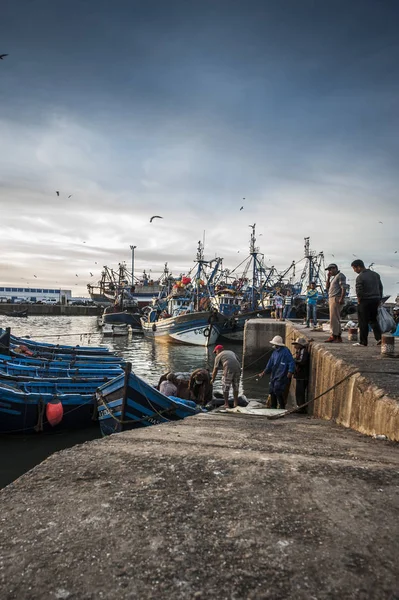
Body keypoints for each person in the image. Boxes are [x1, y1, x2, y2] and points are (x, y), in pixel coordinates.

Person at [351, 259, 383, 347]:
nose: (354, 271)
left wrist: (359, 300)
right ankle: (379, 338)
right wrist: (379, 299)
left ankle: (363, 342)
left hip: (365, 301)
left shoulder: (360, 277)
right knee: (373, 319)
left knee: (363, 321)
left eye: (354, 268)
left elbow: (359, 290)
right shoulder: (376, 275)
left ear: (358, 267)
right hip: (375, 299)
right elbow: (380, 288)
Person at [258, 335, 295, 409]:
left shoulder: (285, 352)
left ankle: (282, 406)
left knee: (277, 389)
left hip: (282, 374)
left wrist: (290, 371)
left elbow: (291, 362)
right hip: (274, 374)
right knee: (271, 391)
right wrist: (264, 372)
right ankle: (273, 406)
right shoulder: (274, 353)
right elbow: (270, 363)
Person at [211, 344, 241, 409]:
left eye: (215, 352)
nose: (216, 354)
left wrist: (212, 379)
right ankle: (235, 403)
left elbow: (215, 369)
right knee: (235, 386)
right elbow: (238, 360)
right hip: (238, 367)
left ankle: (226, 404)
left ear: (218, 350)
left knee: (225, 386)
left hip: (228, 367)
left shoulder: (218, 356)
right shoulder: (231, 352)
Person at [324, 263, 346, 343]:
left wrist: (341, 298)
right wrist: (328, 277)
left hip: (336, 298)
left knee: (334, 318)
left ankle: (334, 335)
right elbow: (327, 287)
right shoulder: (334, 278)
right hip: (332, 298)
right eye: (329, 270)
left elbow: (343, 287)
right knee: (335, 318)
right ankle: (338, 336)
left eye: (331, 269)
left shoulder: (340, 276)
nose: (330, 271)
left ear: (335, 268)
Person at [292, 337, 310, 413]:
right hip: (299, 375)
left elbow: (302, 362)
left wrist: (294, 361)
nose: (295, 346)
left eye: (296, 344)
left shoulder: (304, 352)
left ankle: (301, 408)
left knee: (300, 392)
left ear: (300, 345)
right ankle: (299, 406)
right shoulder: (300, 351)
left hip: (302, 375)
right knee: (298, 392)